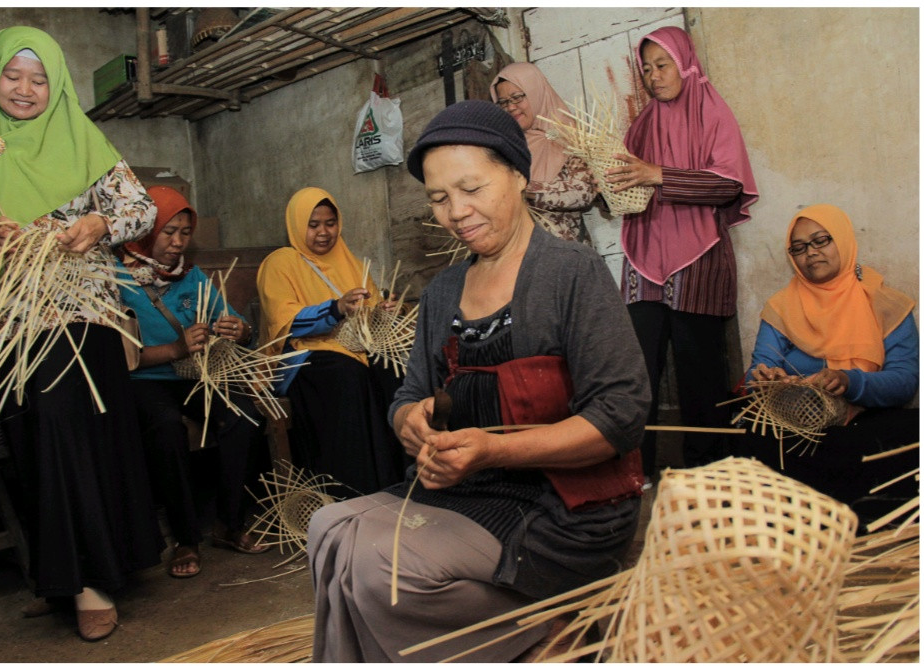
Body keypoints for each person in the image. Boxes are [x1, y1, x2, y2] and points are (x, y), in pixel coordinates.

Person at [307, 100, 651, 662]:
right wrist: (409, 422)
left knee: (378, 569)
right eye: (440, 198)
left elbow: (621, 416)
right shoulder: (444, 291)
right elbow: (408, 394)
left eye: (472, 189)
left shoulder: (572, 273)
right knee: (328, 530)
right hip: (468, 488)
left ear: (517, 175)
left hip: (562, 508)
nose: (456, 212)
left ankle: (546, 633)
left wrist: (493, 449)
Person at [0, 27, 162, 641]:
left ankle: (90, 578)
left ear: (56, 84)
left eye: (40, 78)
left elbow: (140, 209)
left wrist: (97, 220)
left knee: (78, 434)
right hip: (9, 325)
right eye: (14, 75)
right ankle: (61, 577)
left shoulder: (82, 138)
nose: (26, 89)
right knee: (35, 446)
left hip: (83, 313)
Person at [603, 26, 759, 476]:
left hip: (698, 254)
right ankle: (637, 473)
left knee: (701, 374)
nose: (654, 76)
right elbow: (624, 183)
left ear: (684, 62)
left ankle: (709, 472)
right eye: (647, 68)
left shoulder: (712, 109)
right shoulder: (641, 124)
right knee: (635, 373)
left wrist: (659, 175)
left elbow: (729, 183)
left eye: (662, 64)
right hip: (644, 257)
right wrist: (608, 179)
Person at [116, 185, 271, 579]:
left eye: (185, 233)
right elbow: (122, 358)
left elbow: (238, 324)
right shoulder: (116, 278)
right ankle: (186, 538)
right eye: (168, 232)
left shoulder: (192, 275)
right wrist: (175, 349)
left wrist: (241, 329)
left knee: (244, 415)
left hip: (196, 375)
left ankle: (229, 523)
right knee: (166, 427)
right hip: (145, 379)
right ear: (145, 231)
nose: (177, 242)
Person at [737, 204, 918, 526]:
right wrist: (766, 379)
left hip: (866, 416)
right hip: (802, 421)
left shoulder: (887, 304)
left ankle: (857, 523)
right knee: (747, 428)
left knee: (910, 434)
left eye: (822, 240)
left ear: (844, 241)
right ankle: (799, 524)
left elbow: (905, 380)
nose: (811, 253)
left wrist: (850, 382)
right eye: (800, 247)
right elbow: (759, 368)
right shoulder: (781, 307)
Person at [255, 187, 406, 496]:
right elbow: (286, 323)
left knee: (395, 368)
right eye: (313, 225)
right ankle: (353, 489)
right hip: (300, 358)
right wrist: (335, 308)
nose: (323, 233)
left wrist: (383, 312)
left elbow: (370, 316)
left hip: (353, 351)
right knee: (347, 375)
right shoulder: (280, 263)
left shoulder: (348, 260)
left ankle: (400, 480)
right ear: (297, 225)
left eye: (330, 223)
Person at [490, 62, 598, 245]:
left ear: (535, 92)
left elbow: (583, 193)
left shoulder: (570, 135)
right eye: (503, 102)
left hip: (569, 255)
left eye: (517, 97)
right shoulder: (506, 149)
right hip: (522, 257)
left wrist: (528, 190)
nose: (510, 107)